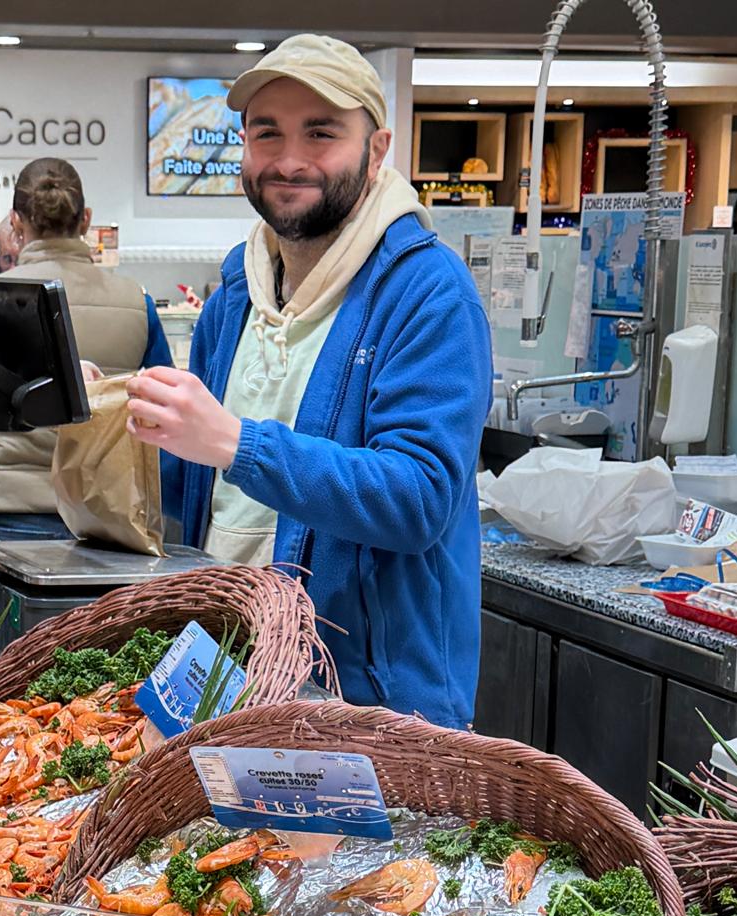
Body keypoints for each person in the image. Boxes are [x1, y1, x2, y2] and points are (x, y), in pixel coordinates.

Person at [126, 35, 492, 728]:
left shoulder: (428, 294)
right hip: (228, 675)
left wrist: (239, 443)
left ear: (376, 149)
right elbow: (197, 496)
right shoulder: (239, 289)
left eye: (321, 133)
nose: (289, 160)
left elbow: (418, 499)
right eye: (268, 134)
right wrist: (117, 418)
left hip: (368, 705)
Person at [0, 158, 172, 514]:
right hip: (103, 509)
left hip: (3, 504)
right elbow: (162, 409)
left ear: (14, 221)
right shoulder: (137, 302)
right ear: (85, 219)